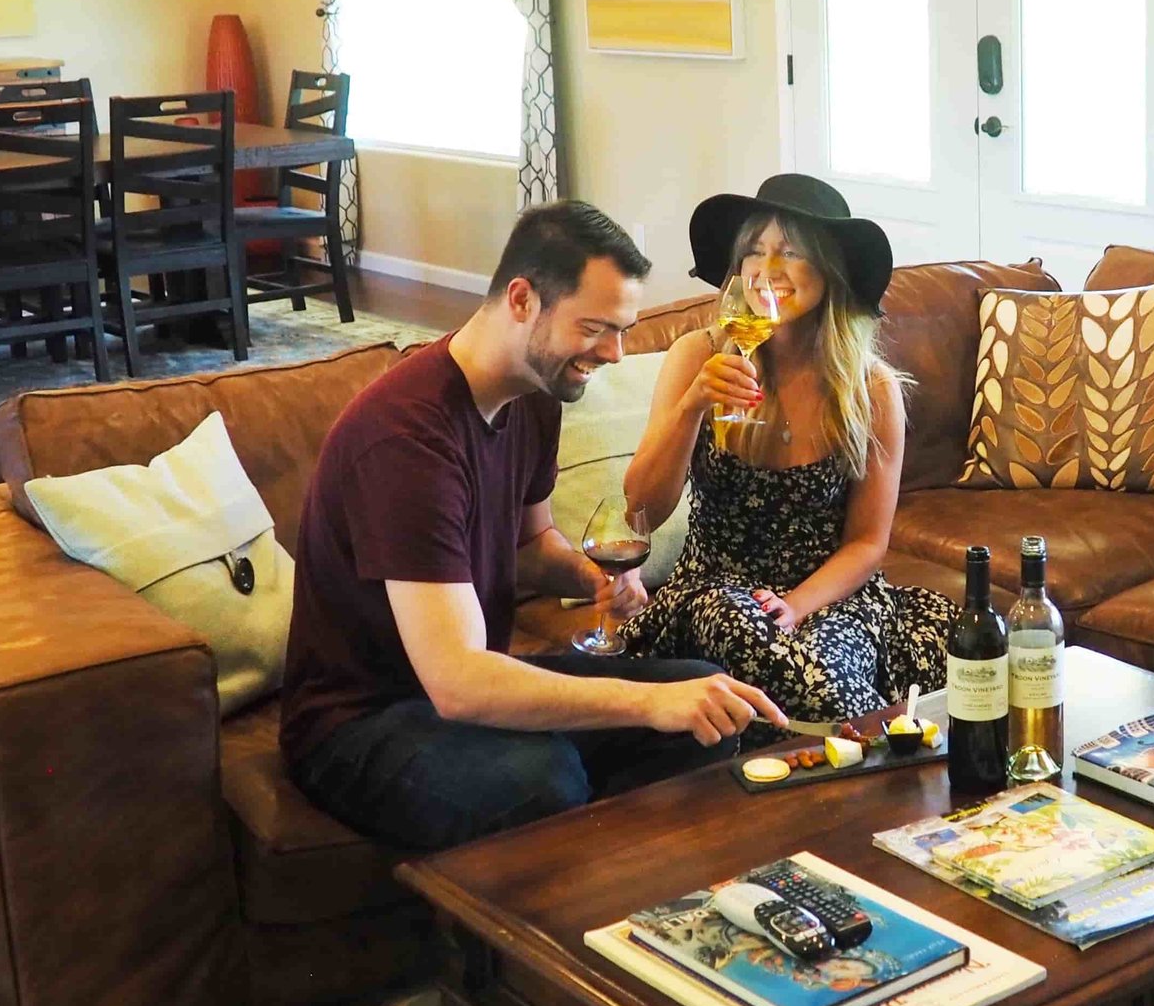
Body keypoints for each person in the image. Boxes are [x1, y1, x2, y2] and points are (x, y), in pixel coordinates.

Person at [281, 200, 788, 851]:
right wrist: (644, 704)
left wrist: (591, 575)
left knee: (705, 700)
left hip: (463, 687)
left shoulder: (534, 396)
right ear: (521, 299)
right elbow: (458, 679)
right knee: (543, 778)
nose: (615, 352)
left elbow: (527, 547)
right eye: (597, 328)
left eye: (624, 329)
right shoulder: (406, 438)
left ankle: (646, 913)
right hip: (361, 721)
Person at [618, 174, 954, 724]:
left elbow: (868, 542)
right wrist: (691, 407)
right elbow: (641, 511)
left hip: (826, 596)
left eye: (790, 253)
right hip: (717, 592)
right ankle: (867, 751)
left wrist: (797, 605)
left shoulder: (870, 389)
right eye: (754, 251)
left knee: (973, 656)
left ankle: (854, 756)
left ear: (830, 272)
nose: (765, 271)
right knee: (746, 636)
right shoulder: (694, 357)